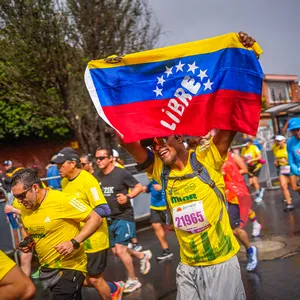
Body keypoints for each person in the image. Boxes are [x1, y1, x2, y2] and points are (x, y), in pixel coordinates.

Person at [11, 168, 102, 299]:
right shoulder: (26, 206)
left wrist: (74, 242)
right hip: (48, 269)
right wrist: (29, 242)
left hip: (70, 267)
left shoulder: (62, 200)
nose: (19, 201)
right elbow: (34, 232)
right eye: (16, 197)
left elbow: (95, 217)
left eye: (21, 196)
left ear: (35, 188)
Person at [52, 147, 124, 300]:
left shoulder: (88, 180)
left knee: (94, 279)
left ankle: (114, 291)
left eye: (60, 164)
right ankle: (113, 287)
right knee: (74, 276)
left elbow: (104, 209)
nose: (58, 168)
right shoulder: (64, 181)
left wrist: (87, 218)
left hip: (95, 238)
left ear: (72, 163)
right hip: (77, 239)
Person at [95, 146, 152, 294]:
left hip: (123, 216)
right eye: (96, 158)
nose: (98, 161)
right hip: (109, 218)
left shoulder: (121, 173)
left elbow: (138, 187)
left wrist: (127, 197)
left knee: (121, 250)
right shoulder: (98, 175)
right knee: (115, 251)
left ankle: (133, 280)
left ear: (110, 158)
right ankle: (142, 255)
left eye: (101, 158)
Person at [222, 151, 258, 271]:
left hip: (233, 193)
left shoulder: (232, 155)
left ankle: (250, 250)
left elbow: (244, 170)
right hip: (218, 196)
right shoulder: (208, 155)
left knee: (235, 229)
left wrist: (229, 174)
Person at [142, 178, 174, 261]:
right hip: (154, 207)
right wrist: (140, 188)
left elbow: (173, 188)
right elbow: (148, 188)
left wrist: (161, 189)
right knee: (155, 224)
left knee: (171, 227)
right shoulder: (152, 176)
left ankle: (188, 245)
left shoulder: (164, 173)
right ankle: (166, 250)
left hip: (165, 206)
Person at [272, 135, 293, 211]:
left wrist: (287, 161)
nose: (278, 142)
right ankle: (289, 203)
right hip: (282, 169)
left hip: (290, 168)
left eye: (279, 141)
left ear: (284, 140)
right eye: (277, 141)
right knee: (284, 186)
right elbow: (277, 158)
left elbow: (294, 158)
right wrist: (276, 162)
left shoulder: (289, 147)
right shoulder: (276, 148)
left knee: (294, 186)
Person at [241, 138, 265, 203]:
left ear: (249, 143)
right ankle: (260, 189)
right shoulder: (243, 149)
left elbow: (259, 157)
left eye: (246, 143)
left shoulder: (254, 147)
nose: (245, 145)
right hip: (250, 167)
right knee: (251, 183)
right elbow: (243, 158)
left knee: (255, 181)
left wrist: (252, 160)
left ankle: (259, 195)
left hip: (256, 166)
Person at [287, 118, 300, 196]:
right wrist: (297, 170)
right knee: (294, 187)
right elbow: (291, 160)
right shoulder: (290, 143)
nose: (296, 132)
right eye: (293, 130)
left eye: (298, 129)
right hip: (298, 169)